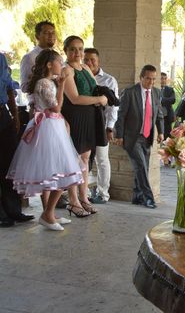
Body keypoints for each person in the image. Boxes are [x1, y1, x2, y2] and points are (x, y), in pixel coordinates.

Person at [7, 50, 83, 231]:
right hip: (49, 127)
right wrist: (63, 85)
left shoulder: (47, 82)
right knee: (63, 170)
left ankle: (49, 213)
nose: (62, 65)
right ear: (50, 64)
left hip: (50, 125)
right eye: (59, 62)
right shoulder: (45, 83)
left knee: (51, 171)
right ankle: (47, 214)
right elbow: (56, 108)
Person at [61, 36, 108, 217]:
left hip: (89, 116)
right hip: (75, 117)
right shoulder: (67, 70)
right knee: (74, 159)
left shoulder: (86, 67)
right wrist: (99, 100)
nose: (77, 53)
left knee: (86, 158)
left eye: (80, 49)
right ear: (66, 51)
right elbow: (74, 98)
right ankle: (72, 201)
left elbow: (95, 88)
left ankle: (83, 197)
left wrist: (104, 98)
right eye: (73, 49)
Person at [113, 65, 164, 209]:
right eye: (148, 78)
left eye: (154, 79)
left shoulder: (156, 93)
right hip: (132, 138)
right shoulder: (130, 92)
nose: (151, 82)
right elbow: (121, 116)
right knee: (141, 166)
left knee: (143, 168)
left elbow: (159, 115)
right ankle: (149, 198)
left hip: (147, 137)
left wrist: (160, 132)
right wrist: (119, 136)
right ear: (141, 77)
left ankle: (137, 197)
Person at [0, 53, 34, 227]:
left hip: (3, 113)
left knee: (10, 163)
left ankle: (14, 210)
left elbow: (8, 87)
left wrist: (14, 115)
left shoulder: (1, 58)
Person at [83, 48, 118, 204]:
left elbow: (113, 107)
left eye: (92, 60)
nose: (89, 63)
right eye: (86, 60)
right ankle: (82, 193)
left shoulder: (109, 80)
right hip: (84, 124)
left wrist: (109, 127)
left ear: (98, 61)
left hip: (101, 125)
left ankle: (103, 194)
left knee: (102, 160)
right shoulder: (80, 77)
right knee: (83, 159)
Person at [19, 21, 56, 92]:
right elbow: (24, 87)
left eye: (53, 33)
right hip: (38, 102)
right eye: (46, 33)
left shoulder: (56, 56)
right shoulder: (29, 57)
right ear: (37, 36)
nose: (51, 36)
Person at [160, 72, 176, 137]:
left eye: (165, 78)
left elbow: (173, 100)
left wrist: (161, 100)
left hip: (167, 116)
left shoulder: (170, 89)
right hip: (157, 116)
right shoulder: (155, 89)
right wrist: (166, 100)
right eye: (161, 78)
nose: (163, 80)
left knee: (167, 136)